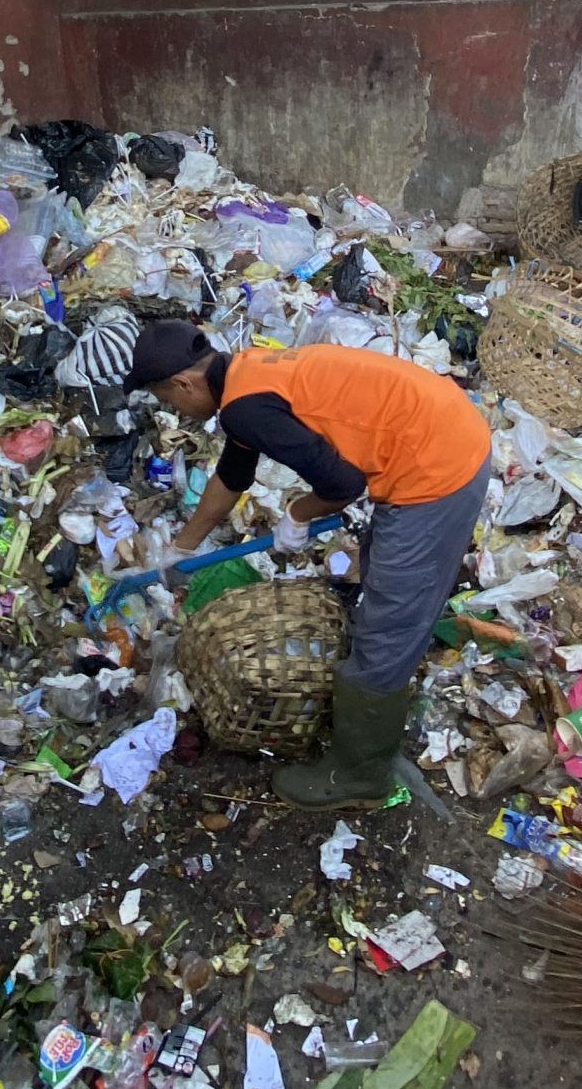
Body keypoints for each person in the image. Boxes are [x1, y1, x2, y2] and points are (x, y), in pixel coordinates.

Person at [127, 321, 491, 810]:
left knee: (390, 620)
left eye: (172, 403)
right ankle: (374, 696)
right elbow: (234, 473)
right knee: (386, 586)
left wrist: (297, 514)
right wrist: (184, 546)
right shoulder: (247, 374)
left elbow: (342, 483)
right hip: (437, 428)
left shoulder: (246, 407)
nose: (180, 413)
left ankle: (359, 774)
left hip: (437, 467)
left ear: (184, 384)